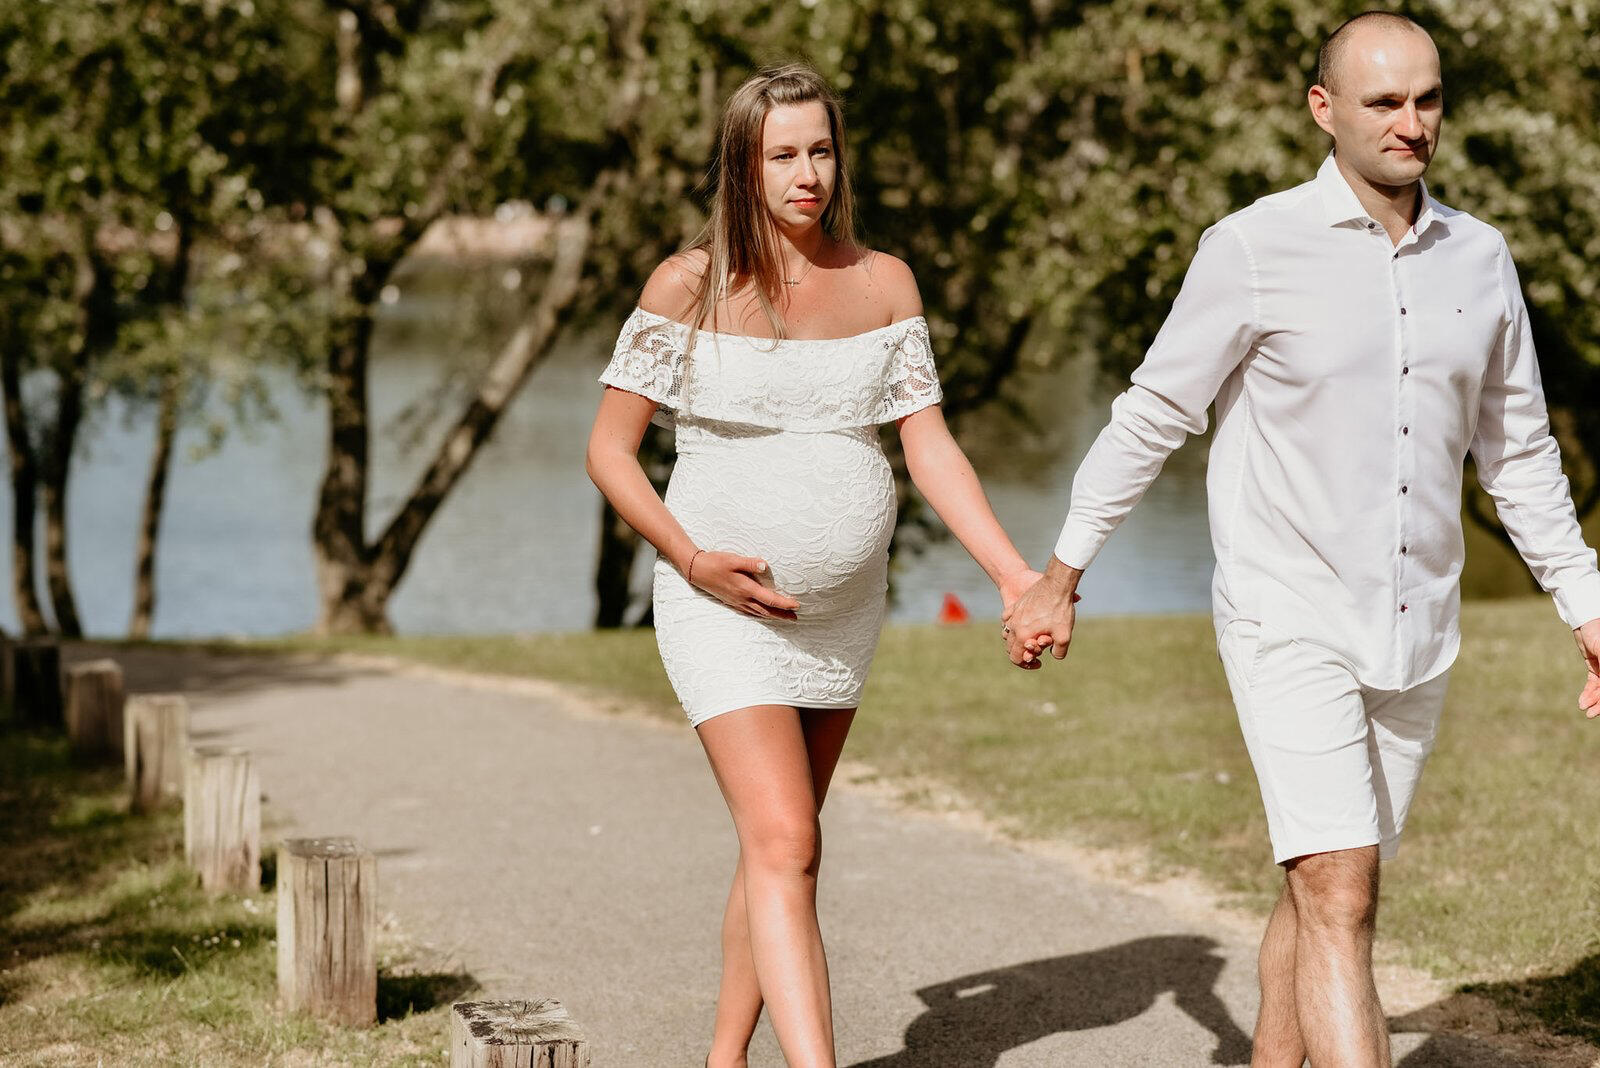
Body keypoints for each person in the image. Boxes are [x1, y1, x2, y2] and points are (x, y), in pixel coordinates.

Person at [1002, 12, 1600, 1067]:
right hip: (1286, 613)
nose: (1410, 123)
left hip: (1417, 628)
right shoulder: (1250, 248)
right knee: (1340, 888)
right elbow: (1151, 416)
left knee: (1326, 880)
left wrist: (1587, 608)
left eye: (1427, 99)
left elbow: (1516, 455)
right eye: (1383, 102)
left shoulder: (1481, 256)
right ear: (1323, 110)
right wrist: (1061, 574)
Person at [586, 63, 1043, 1068]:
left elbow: (928, 446)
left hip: (837, 617)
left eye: (821, 151)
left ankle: (722, 1061)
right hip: (721, 605)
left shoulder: (883, 283)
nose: (807, 175)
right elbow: (609, 452)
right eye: (782, 155)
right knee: (789, 842)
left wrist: (1013, 575)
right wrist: (691, 559)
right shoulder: (687, 284)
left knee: (777, 849)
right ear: (742, 168)